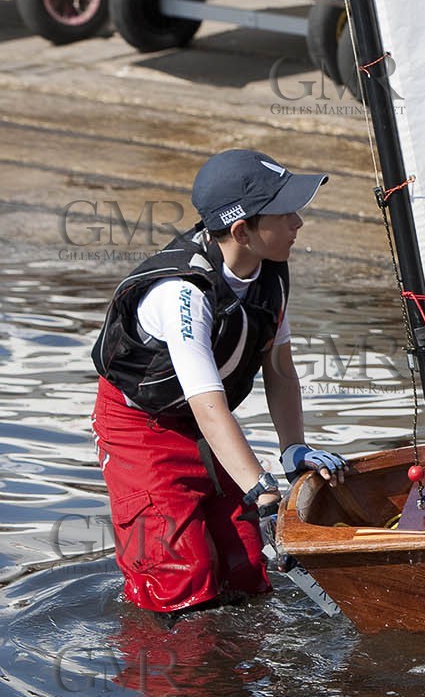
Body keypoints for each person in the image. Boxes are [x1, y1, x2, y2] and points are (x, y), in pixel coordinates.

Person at [91, 149, 349, 613]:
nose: (299, 223)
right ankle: (177, 672)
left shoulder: (269, 270)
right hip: (141, 427)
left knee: (246, 566)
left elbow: (280, 368)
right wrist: (263, 490)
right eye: (285, 212)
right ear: (241, 230)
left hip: (205, 421)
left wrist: (293, 449)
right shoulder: (182, 293)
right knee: (181, 578)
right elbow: (209, 405)